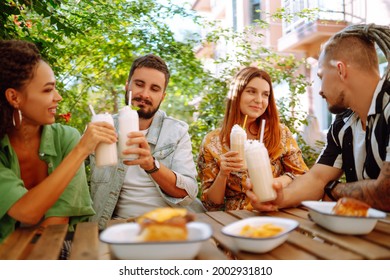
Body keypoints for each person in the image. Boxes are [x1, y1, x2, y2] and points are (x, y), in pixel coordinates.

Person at [247, 23, 390, 212]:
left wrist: (333, 190)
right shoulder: (343, 123)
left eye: (321, 76)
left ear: (340, 70)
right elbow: (318, 178)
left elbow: (386, 193)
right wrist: (280, 199)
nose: (320, 90)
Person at [0, 40, 118, 243]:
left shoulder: (65, 138)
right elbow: (26, 212)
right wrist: (82, 150)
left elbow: (58, 219)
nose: (58, 97)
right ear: (14, 97)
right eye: (47, 90)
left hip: (48, 249)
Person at [89, 54, 201, 229]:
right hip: (117, 225)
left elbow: (189, 192)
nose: (144, 94)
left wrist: (152, 165)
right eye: (139, 84)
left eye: (154, 89)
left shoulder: (176, 131)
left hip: (169, 223)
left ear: (163, 96)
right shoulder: (102, 126)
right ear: (127, 86)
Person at [197, 66, 309, 211]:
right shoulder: (212, 142)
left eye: (265, 94)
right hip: (237, 217)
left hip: (275, 210)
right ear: (236, 94)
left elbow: (303, 176)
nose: (259, 100)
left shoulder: (280, 133)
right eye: (251, 92)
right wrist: (223, 174)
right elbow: (211, 204)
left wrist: (275, 183)